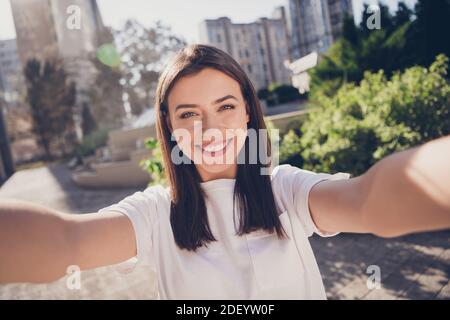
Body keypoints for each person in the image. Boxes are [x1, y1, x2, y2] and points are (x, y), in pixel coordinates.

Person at [0, 44, 449, 299]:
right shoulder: (157, 214)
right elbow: (66, 242)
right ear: (170, 129)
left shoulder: (286, 190)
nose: (209, 128)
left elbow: (366, 201)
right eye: (188, 114)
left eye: (225, 107)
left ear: (249, 115)